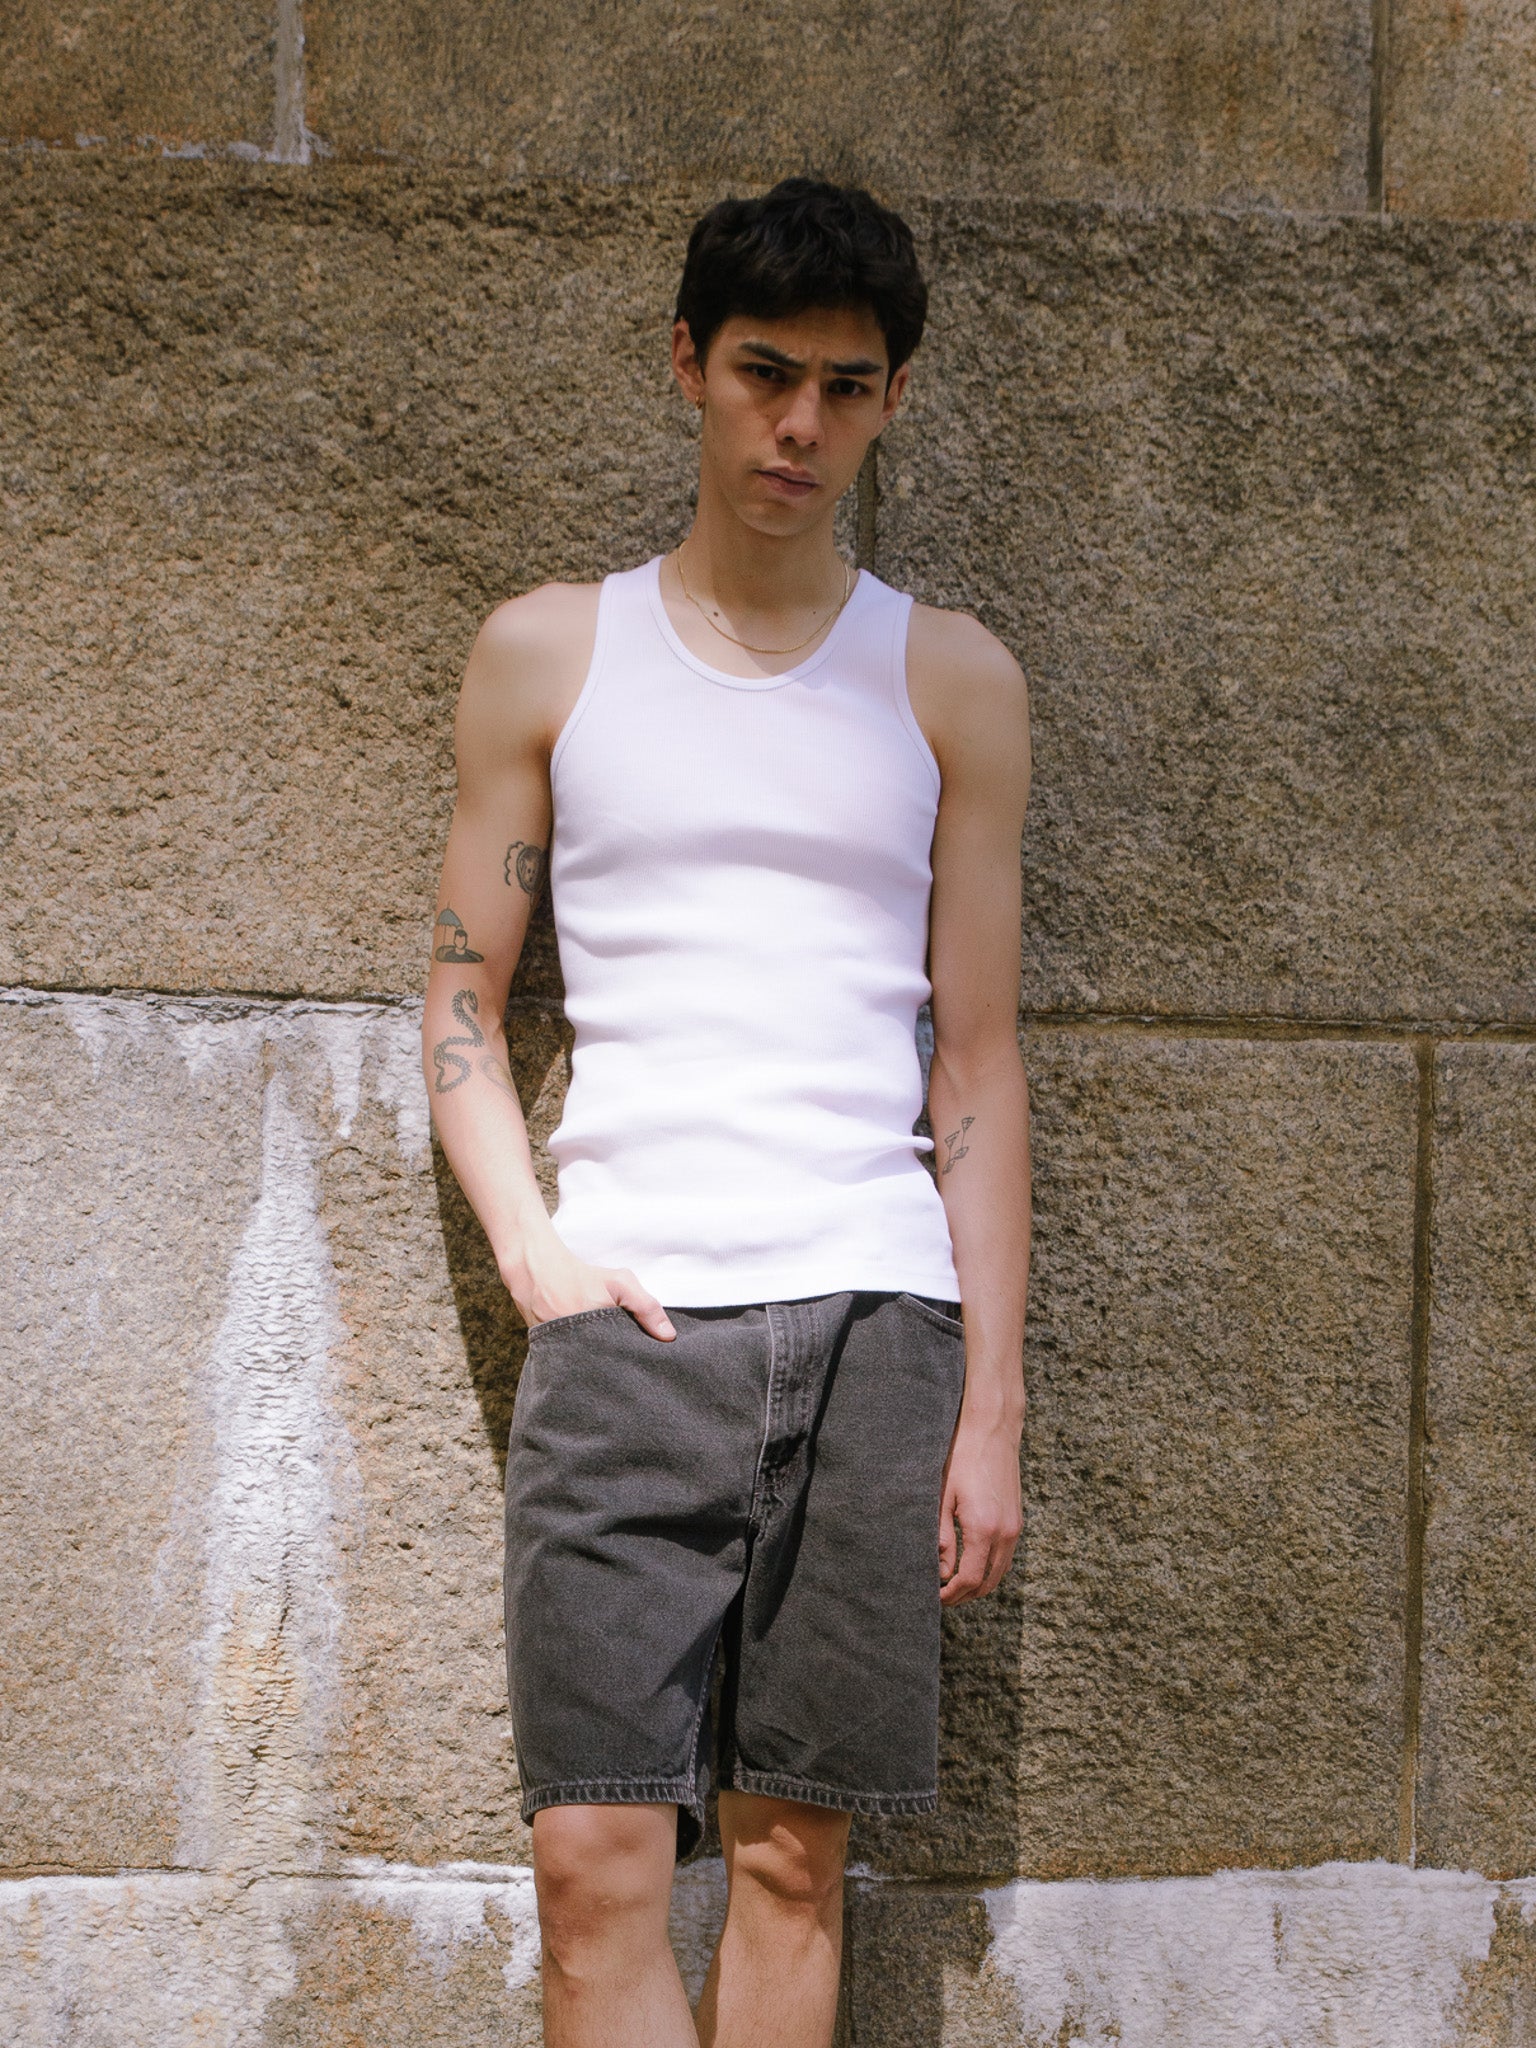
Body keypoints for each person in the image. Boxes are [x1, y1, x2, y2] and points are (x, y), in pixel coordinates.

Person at [421, 176, 1032, 2048]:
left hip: (874, 1321)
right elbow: (459, 1001)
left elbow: (978, 1065)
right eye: (766, 373)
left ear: (893, 399)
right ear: (688, 364)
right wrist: (538, 1260)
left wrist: (991, 1406)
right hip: (630, 1321)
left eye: (845, 388)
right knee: (594, 1865)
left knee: (788, 1865)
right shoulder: (553, 652)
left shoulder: (952, 681)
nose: (799, 426)